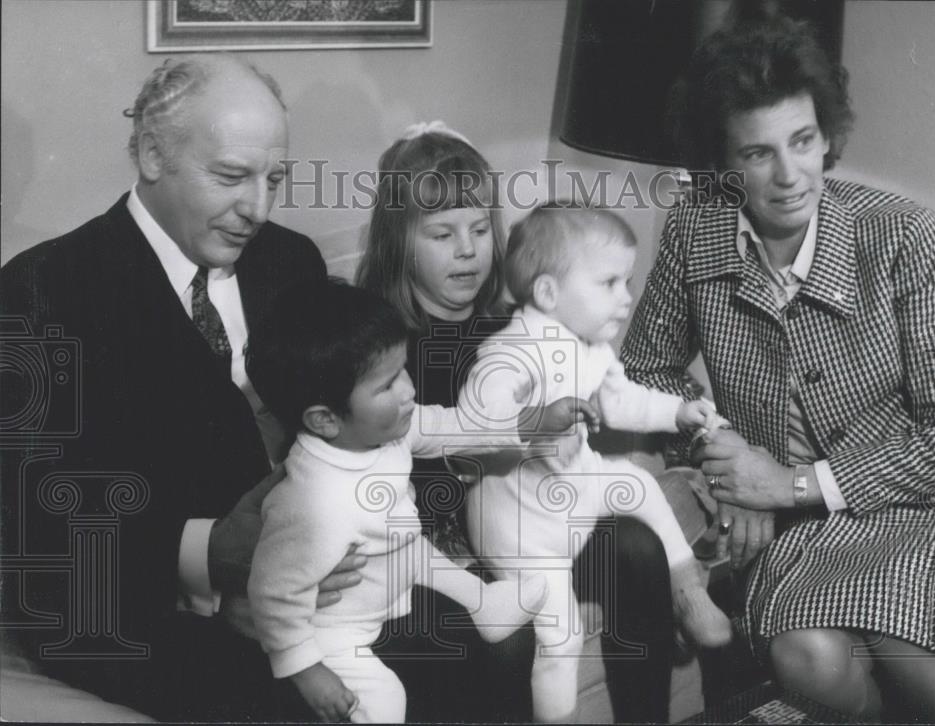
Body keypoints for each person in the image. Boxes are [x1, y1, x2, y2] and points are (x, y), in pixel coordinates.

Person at [620, 18, 935, 724]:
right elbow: (644, 372)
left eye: (802, 141)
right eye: (758, 153)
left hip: (927, 504)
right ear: (724, 165)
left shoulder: (904, 235)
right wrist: (727, 455)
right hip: (797, 532)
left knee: (905, 638)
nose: (791, 176)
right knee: (807, 660)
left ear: (827, 135)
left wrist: (788, 483)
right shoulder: (696, 232)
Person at [0, 55, 356, 721]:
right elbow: (42, 527)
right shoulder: (43, 290)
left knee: (476, 642)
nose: (257, 208)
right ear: (154, 155)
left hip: (299, 580)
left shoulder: (290, 262)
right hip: (132, 611)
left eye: (273, 179)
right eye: (230, 177)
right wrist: (210, 559)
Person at [357, 123, 678, 722]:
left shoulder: (521, 327)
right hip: (435, 532)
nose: (468, 250)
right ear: (399, 242)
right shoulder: (381, 341)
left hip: (532, 511)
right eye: (442, 234)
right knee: (510, 635)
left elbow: (596, 397)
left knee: (636, 545)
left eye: (480, 230)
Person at [245, 278, 571, 722]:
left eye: (403, 370)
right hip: (339, 629)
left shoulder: (387, 430)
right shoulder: (312, 502)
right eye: (386, 386)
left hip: (393, 560)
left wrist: (530, 421)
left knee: (418, 549)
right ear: (324, 419)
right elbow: (273, 594)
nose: (408, 390)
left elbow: (455, 426)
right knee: (385, 701)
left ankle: (485, 602)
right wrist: (304, 668)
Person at [457, 203, 732, 722]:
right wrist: (537, 418)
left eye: (626, 282)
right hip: (519, 523)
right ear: (547, 293)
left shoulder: (593, 347)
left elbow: (621, 400)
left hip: (573, 490)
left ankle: (688, 591)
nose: (626, 298)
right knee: (559, 633)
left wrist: (677, 411)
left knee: (635, 482)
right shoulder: (510, 350)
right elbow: (479, 416)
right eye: (609, 283)